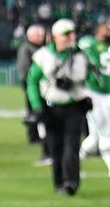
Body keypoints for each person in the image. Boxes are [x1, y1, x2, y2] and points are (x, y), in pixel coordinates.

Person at [26, 18, 91, 195]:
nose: (71, 37)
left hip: (75, 106)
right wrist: (37, 105)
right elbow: (32, 81)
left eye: (72, 33)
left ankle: (71, 182)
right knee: (56, 148)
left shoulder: (81, 55)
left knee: (72, 146)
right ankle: (59, 182)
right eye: (66, 34)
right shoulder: (43, 56)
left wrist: (88, 95)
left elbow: (92, 78)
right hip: (51, 107)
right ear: (55, 36)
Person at [78, 20, 110, 181]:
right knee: (106, 133)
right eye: (107, 29)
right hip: (93, 94)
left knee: (94, 138)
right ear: (98, 30)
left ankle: (73, 165)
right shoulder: (89, 45)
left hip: (108, 96)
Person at [17, 24, 49, 163]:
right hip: (33, 85)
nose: (41, 37)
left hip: (39, 86)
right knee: (33, 111)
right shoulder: (26, 48)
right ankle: (33, 136)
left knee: (36, 112)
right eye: (39, 35)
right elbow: (24, 68)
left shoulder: (36, 48)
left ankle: (37, 137)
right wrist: (27, 84)